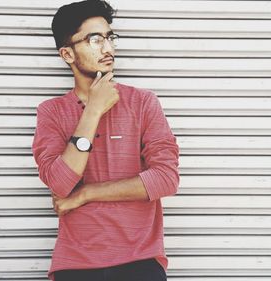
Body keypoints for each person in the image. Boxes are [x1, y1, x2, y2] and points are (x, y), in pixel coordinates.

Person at [31, 0, 180, 280]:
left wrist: (85, 194)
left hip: (140, 260)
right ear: (67, 54)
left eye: (110, 37)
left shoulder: (142, 103)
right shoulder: (50, 112)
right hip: (76, 263)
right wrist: (94, 110)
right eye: (95, 39)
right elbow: (60, 183)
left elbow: (166, 179)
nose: (108, 48)